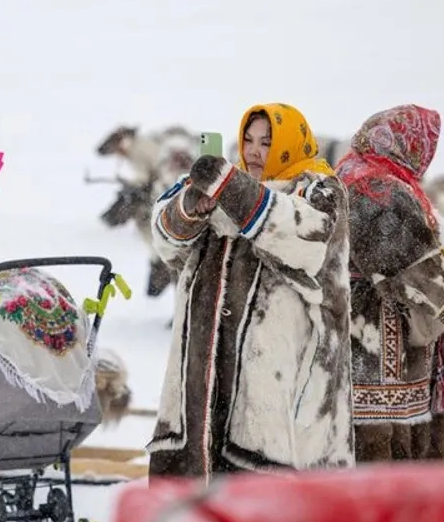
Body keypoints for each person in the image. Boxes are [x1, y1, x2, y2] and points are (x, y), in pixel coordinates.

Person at [146, 102, 355, 481]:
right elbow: (165, 241)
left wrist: (233, 189)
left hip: (282, 378)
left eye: (267, 142)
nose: (255, 151)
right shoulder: (225, 190)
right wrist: (194, 203)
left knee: (267, 495)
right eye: (248, 140)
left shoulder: (320, 192)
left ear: (292, 142)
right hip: (205, 371)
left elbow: (298, 239)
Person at [334, 104, 444, 464]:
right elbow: (421, 268)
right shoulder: (376, 189)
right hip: (375, 341)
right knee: (385, 455)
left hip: (347, 334)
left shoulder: (346, 173)